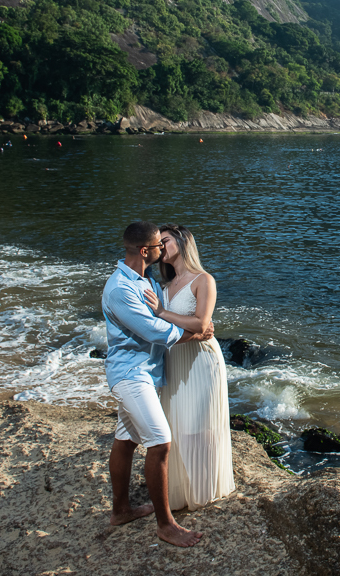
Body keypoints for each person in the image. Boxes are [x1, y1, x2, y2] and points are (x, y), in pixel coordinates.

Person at [103, 221, 213, 546]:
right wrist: (197, 333)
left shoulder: (143, 278)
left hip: (146, 373)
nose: (161, 250)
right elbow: (154, 331)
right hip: (130, 374)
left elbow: (159, 318)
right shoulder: (121, 289)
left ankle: (121, 509)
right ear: (144, 251)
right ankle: (166, 526)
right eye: (156, 246)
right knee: (160, 442)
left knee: (125, 439)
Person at [145, 223, 235, 510]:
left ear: (183, 243)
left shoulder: (203, 279)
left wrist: (162, 311)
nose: (160, 247)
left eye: (166, 241)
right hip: (175, 360)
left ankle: (204, 489)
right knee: (178, 425)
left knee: (201, 424)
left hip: (201, 361)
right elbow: (161, 327)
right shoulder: (163, 287)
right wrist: (163, 313)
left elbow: (201, 323)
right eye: (158, 243)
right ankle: (182, 491)